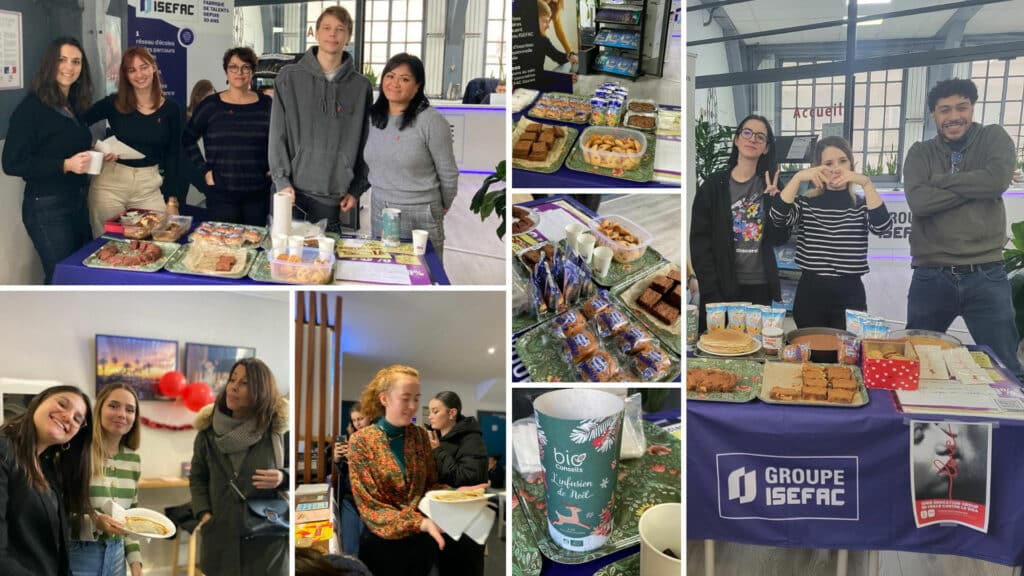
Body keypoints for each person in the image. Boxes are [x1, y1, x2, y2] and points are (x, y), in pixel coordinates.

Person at [904, 78, 1022, 376]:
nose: (953, 116)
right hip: (931, 276)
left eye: (961, 107)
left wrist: (940, 182)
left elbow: (996, 180)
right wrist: (976, 184)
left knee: (1005, 365)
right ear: (934, 115)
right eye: (944, 110)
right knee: (914, 363)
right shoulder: (920, 152)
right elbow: (919, 202)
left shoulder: (993, 138)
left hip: (985, 274)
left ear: (972, 108)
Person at [349, 365, 478, 576]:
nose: (413, 406)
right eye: (405, 398)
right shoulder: (362, 441)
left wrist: (456, 495)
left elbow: (429, 485)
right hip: (384, 546)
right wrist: (421, 523)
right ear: (384, 399)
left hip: (421, 541)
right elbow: (372, 508)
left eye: (417, 398)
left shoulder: (419, 436)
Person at [768, 136, 894, 329]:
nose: (836, 168)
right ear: (817, 168)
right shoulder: (806, 203)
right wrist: (798, 177)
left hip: (850, 293)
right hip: (811, 292)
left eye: (843, 161)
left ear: (851, 163)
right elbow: (777, 218)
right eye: (828, 163)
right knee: (811, 354)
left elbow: (883, 227)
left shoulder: (860, 205)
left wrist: (866, 183)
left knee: (848, 356)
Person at [269, 6, 372, 232]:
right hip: (290, 193)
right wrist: (282, 180)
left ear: (348, 37)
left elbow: (366, 141)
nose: (332, 34)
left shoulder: (360, 87)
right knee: (284, 261)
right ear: (315, 33)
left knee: (323, 264)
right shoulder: (289, 77)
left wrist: (357, 188)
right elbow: (277, 134)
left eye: (340, 29)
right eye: (326, 28)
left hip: (331, 195)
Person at [2, 37, 96, 284]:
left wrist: (96, 153)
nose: (69, 67)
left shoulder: (73, 105)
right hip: (47, 207)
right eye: (62, 60)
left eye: (76, 62)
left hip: (76, 201)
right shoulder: (31, 109)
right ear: (49, 64)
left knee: (79, 273)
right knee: (63, 278)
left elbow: (64, 145)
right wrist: (65, 165)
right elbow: (12, 162)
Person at [689, 114, 790, 331]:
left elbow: (779, 238)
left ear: (765, 148)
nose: (752, 139)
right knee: (715, 352)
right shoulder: (714, 186)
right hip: (720, 287)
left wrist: (776, 202)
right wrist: (711, 290)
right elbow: (699, 243)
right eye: (747, 132)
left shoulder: (772, 184)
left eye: (760, 136)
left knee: (753, 350)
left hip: (759, 287)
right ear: (736, 139)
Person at [189, 358, 289, 576]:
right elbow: (197, 477)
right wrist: (204, 515)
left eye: (244, 383)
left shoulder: (277, 432)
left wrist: (282, 476)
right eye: (232, 380)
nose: (233, 386)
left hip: (267, 541)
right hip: (221, 537)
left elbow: (297, 473)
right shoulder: (207, 433)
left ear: (260, 390)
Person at [364, 53, 459, 264]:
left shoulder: (431, 121)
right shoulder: (374, 118)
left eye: (405, 79)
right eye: (390, 76)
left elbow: (448, 172)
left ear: (418, 86)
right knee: (385, 269)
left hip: (420, 210)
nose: (395, 83)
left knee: (423, 273)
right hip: (381, 207)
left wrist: (443, 204)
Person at [83, 46, 187, 234]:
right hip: (110, 185)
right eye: (132, 70)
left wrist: (172, 200)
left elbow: (175, 155)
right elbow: (78, 123)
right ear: (125, 75)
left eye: (144, 67)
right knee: (108, 246)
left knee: (157, 243)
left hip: (149, 186)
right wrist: (93, 149)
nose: (139, 74)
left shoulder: (172, 109)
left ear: (154, 68)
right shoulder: (113, 103)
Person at [0, 385, 93, 576]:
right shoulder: (4, 450)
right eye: (62, 404)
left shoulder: (47, 466)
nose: (68, 417)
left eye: (77, 419)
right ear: (39, 401)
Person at [183, 48, 274, 225]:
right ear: (226, 71)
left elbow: (279, 139)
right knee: (222, 249)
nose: (239, 72)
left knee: (254, 247)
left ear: (252, 72)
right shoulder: (211, 106)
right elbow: (187, 139)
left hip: (257, 195)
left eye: (245, 67)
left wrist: (274, 166)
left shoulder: (266, 105)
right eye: (233, 67)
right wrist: (204, 170)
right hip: (221, 195)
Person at [69, 384, 143, 576]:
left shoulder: (133, 460)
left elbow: (131, 518)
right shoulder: (77, 453)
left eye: (130, 409)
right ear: (99, 409)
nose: (122, 414)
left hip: (117, 557)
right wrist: (94, 522)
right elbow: (56, 513)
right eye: (113, 406)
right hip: (79, 555)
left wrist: (135, 563)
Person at [427, 391, 488, 576]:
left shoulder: (471, 439)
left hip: (466, 524)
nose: (430, 416)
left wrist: (437, 452)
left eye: (435, 411)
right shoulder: (437, 439)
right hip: (443, 518)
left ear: (452, 413)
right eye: (430, 411)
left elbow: (467, 477)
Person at [327, 403, 369, 556]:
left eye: (361, 419)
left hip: (370, 500)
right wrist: (338, 460)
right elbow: (344, 471)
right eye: (354, 420)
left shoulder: (379, 440)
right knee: (350, 549)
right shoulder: (351, 440)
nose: (357, 423)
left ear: (369, 417)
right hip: (349, 499)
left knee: (368, 547)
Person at [538, 1, 577, 71]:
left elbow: (560, 32)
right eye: (545, 21)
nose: (548, 27)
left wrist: (571, 55)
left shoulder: (543, 41)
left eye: (548, 21)